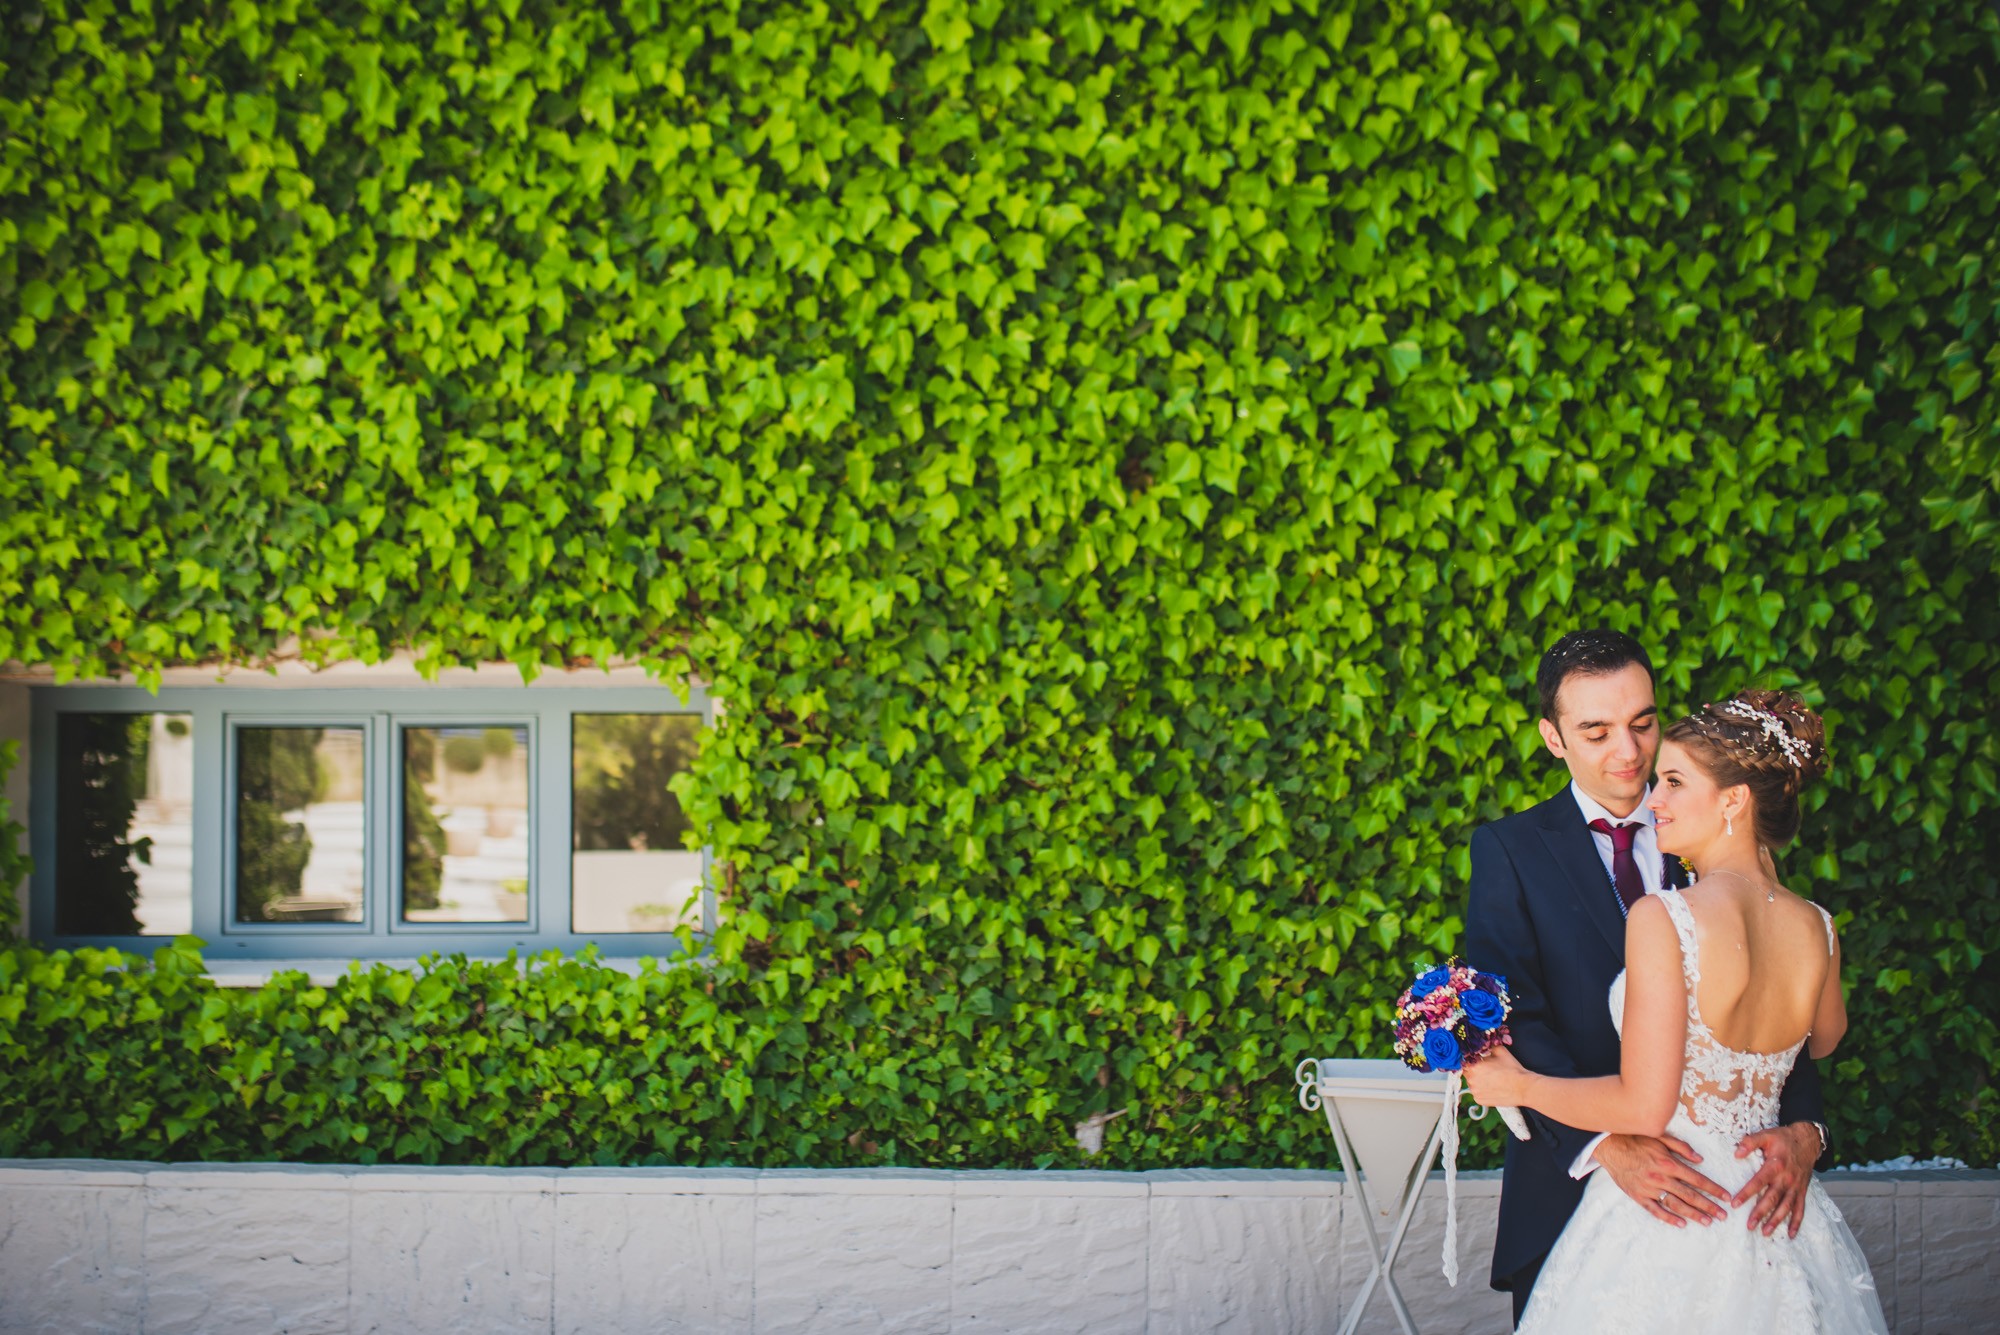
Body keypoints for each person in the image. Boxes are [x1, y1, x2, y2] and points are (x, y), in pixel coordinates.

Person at [1466, 688, 1886, 1333]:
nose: (1653, 799)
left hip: (1677, 1202)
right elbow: (1823, 1040)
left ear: (1733, 800)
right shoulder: (1819, 925)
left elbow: (1644, 1106)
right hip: (1765, 1202)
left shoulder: (1666, 916)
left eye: (1672, 781)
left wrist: (1517, 1084)